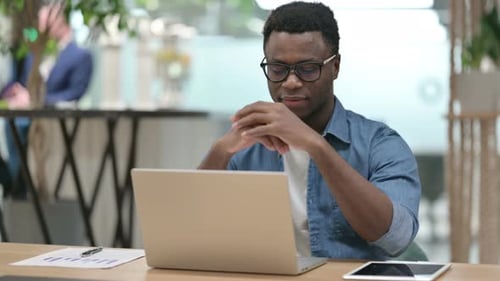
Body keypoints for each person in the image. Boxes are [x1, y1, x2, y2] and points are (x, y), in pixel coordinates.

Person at [198, 1, 421, 260]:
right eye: (278, 69)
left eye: (307, 69)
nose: (291, 82)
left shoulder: (380, 144)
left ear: (335, 67)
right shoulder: (244, 145)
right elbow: (192, 233)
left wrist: (317, 147)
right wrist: (220, 151)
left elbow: (397, 237)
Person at [1, 3, 93, 198]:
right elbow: (19, 81)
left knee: (18, 126)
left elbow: (75, 93)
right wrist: (14, 92)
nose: (40, 28)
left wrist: (36, 100)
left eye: (44, 23)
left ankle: (17, 188)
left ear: (59, 21)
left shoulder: (80, 56)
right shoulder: (34, 53)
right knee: (13, 126)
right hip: (22, 116)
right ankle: (14, 184)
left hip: (50, 122)